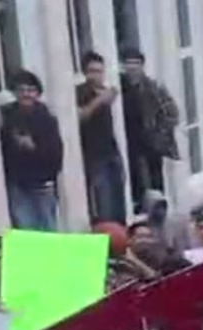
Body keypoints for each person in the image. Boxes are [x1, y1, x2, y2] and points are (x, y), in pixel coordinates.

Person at [0, 70, 64, 231]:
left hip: (42, 184)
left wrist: (34, 148)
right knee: (25, 229)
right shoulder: (8, 117)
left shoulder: (46, 119)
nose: (26, 94)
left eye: (30, 90)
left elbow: (56, 155)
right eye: (21, 90)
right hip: (18, 184)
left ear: (37, 94)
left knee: (47, 229)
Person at [121, 48, 180, 206]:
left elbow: (172, 113)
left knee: (154, 178)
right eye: (128, 64)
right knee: (134, 179)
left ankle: (158, 207)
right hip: (128, 141)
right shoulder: (119, 88)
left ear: (142, 66)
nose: (132, 69)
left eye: (136, 64)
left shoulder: (153, 88)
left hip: (151, 142)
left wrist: (160, 135)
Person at [76, 51, 126, 224]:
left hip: (111, 150)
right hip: (94, 155)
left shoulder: (104, 91)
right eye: (92, 71)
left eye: (99, 71)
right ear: (85, 72)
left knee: (118, 194)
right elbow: (80, 116)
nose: (96, 76)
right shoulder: (80, 92)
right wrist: (98, 101)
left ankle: (121, 229)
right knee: (103, 200)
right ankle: (107, 230)